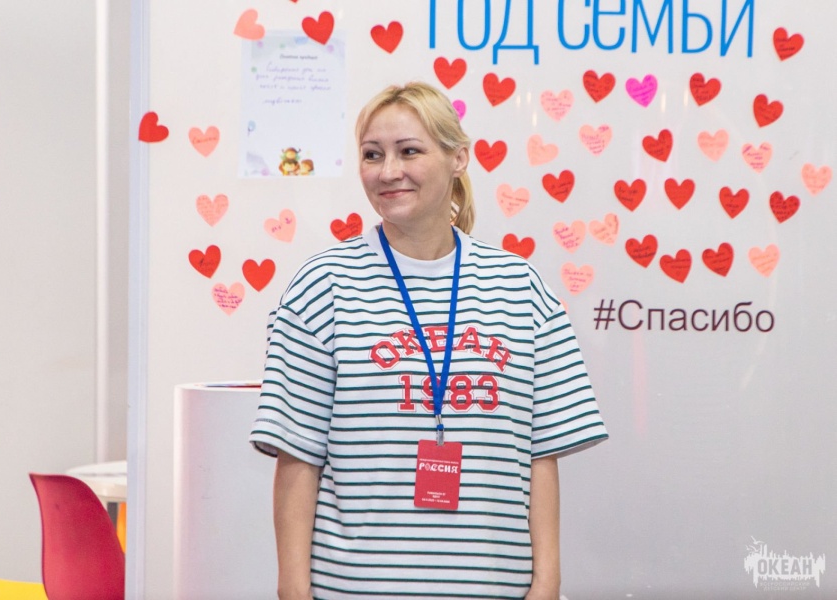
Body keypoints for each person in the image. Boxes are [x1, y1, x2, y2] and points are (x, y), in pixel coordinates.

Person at [249, 81, 608, 600]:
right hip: (354, 589)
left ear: (458, 157)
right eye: (373, 155)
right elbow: (297, 460)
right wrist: (293, 592)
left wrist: (547, 583)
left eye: (409, 151)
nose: (388, 171)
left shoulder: (521, 287)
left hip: (495, 587)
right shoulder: (322, 286)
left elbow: (540, 456)